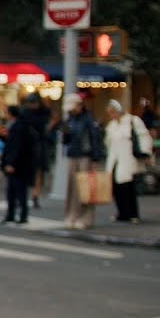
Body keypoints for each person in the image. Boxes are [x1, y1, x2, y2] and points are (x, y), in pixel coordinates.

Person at [104, 99, 151, 224]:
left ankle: (133, 214)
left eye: (113, 112)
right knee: (116, 187)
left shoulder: (133, 121)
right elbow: (108, 142)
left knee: (129, 187)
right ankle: (122, 212)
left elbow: (143, 136)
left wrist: (145, 152)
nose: (112, 115)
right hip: (115, 159)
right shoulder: (112, 125)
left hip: (128, 158)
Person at [61, 93, 104, 230]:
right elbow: (66, 141)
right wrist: (65, 133)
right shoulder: (70, 119)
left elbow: (95, 139)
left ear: (79, 105)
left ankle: (85, 217)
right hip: (73, 154)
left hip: (86, 155)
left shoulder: (88, 119)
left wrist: (95, 158)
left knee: (84, 189)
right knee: (72, 187)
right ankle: (71, 215)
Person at [0, 105, 38, 225]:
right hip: (20, 164)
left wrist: (11, 163)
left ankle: (21, 215)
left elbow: (17, 147)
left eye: (7, 113)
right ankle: (13, 215)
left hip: (19, 165)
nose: (5, 115)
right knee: (13, 191)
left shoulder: (19, 127)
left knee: (18, 191)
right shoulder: (17, 126)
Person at [20, 92, 52, 209]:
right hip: (30, 145)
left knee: (38, 172)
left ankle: (35, 195)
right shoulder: (25, 113)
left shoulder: (43, 113)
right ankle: (30, 195)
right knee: (30, 172)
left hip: (38, 145)